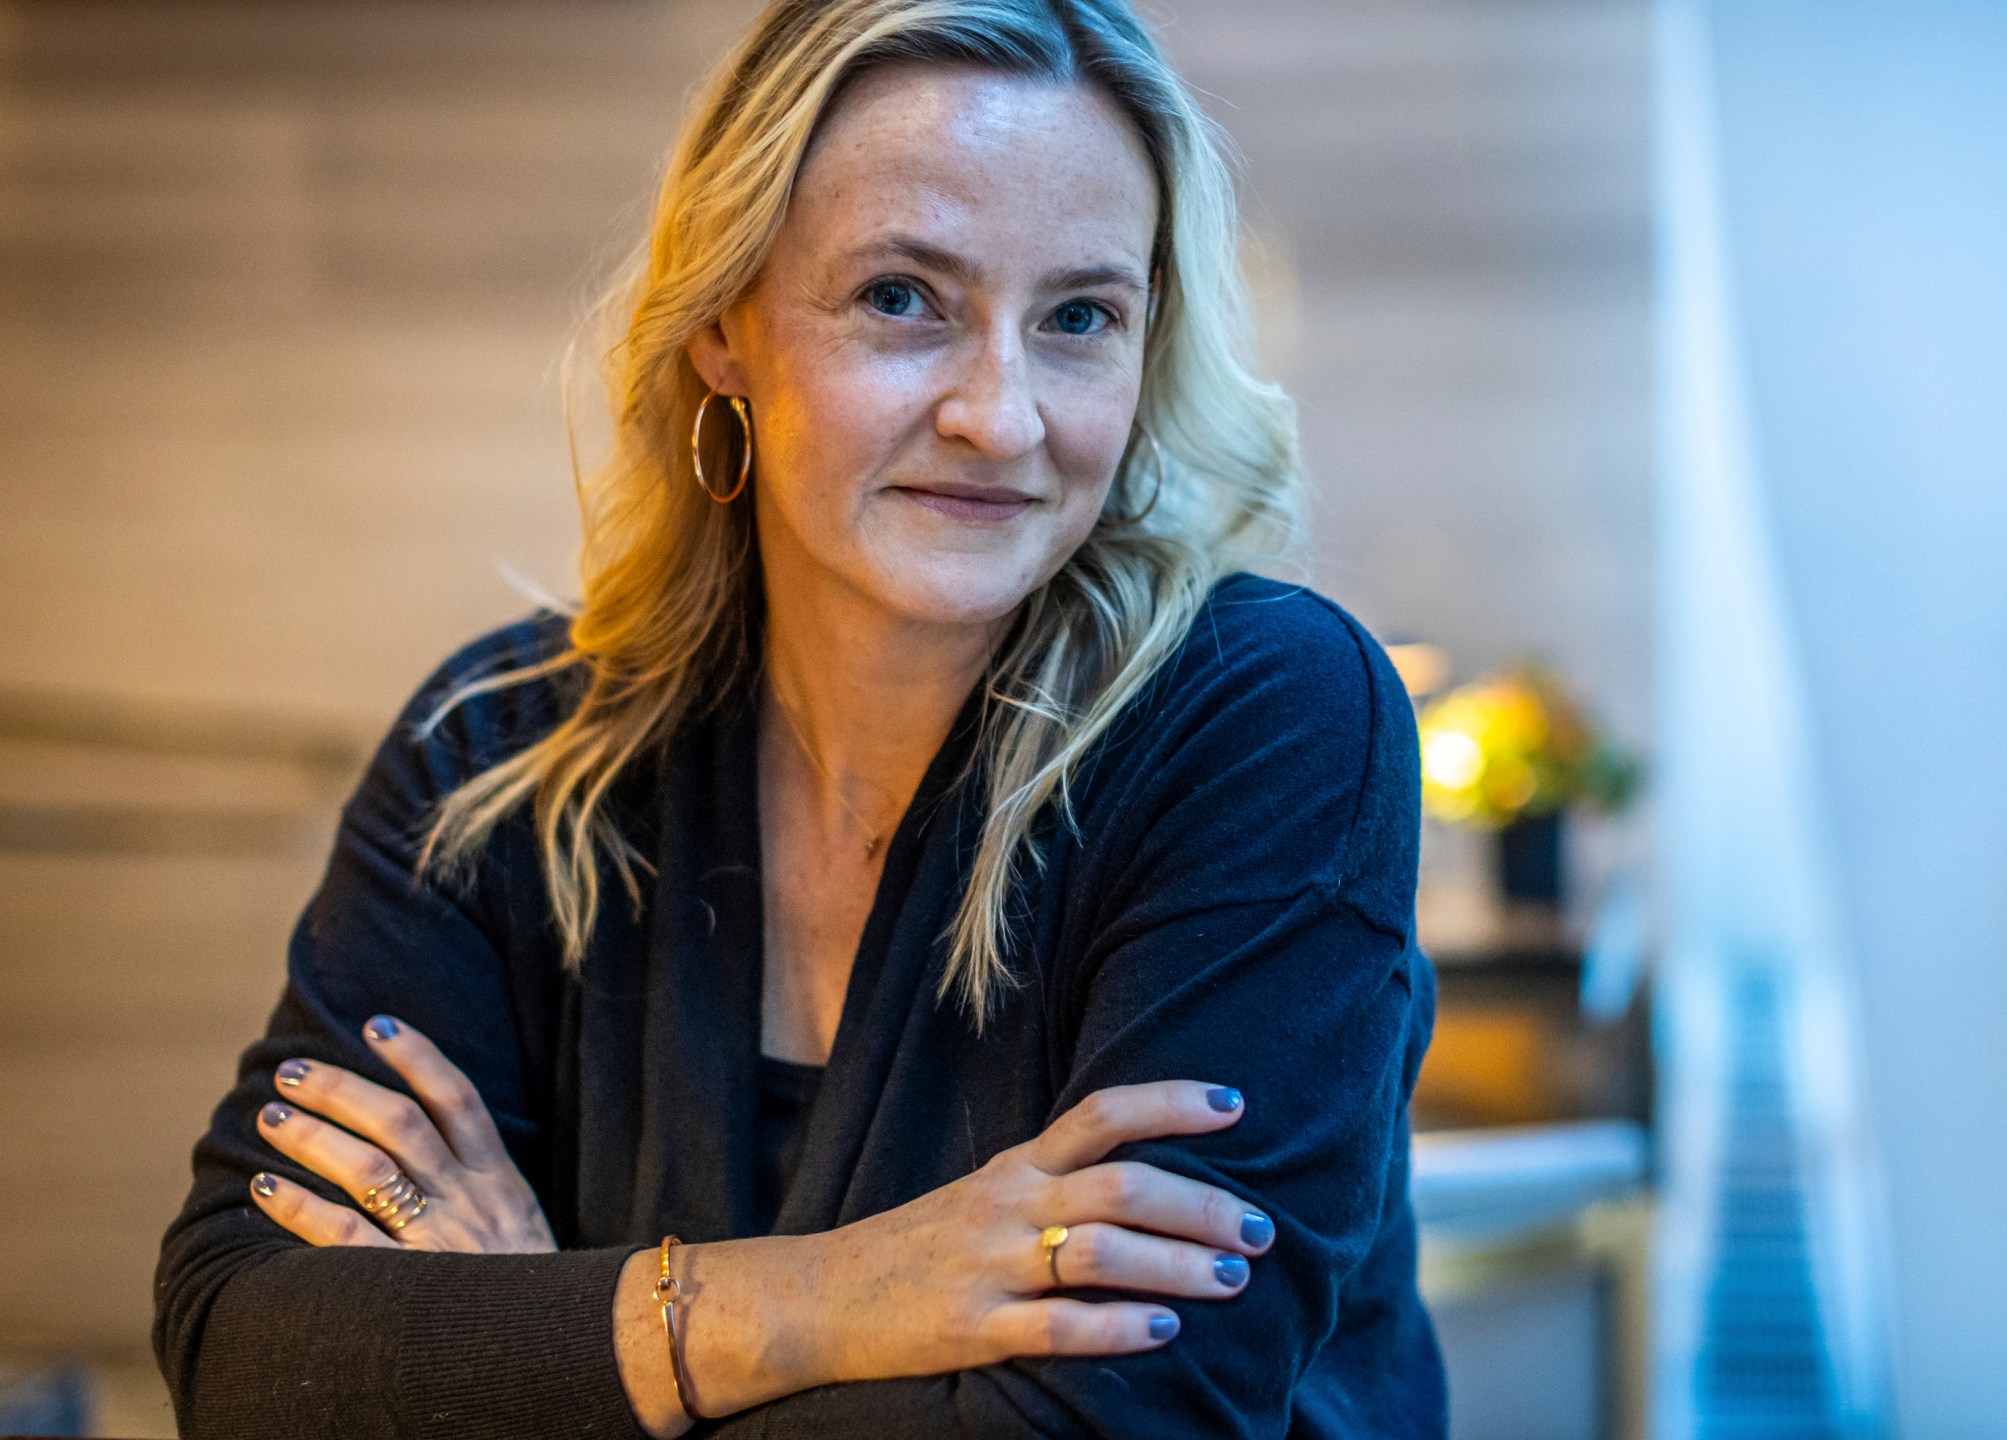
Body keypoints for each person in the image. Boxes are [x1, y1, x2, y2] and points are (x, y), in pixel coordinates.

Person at [150, 2, 1443, 1435]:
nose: (1002, 417)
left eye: (1080, 318)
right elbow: (246, 1354)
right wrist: (824, 1297)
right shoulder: (497, 758)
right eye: (903, 297)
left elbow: (1112, 1422)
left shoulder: (1265, 719)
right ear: (725, 324)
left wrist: (542, 1349)